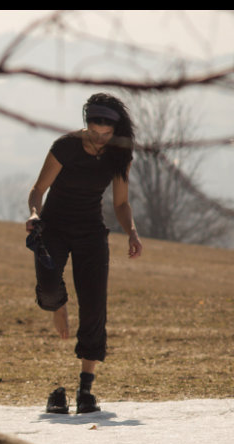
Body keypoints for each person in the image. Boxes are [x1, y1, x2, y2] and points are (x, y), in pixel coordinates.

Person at [26, 93, 142, 414]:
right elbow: (38, 189)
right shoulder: (65, 147)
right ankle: (58, 305)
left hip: (91, 232)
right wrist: (35, 214)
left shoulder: (119, 154)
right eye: (94, 131)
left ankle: (86, 389)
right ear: (86, 124)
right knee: (49, 289)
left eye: (106, 133)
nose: (99, 138)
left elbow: (121, 203)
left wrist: (132, 232)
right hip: (54, 227)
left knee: (94, 309)